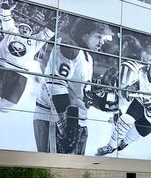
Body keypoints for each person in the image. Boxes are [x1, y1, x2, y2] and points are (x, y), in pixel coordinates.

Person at [33, 17, 113, 154]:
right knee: (56, 170)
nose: (101, 42)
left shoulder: (87, 56)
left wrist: (98, 101)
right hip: (56, 120)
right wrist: (68, 125)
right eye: (98, 36)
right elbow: (56, 85)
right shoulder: (69, 47)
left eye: (103, 38)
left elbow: (78, 93)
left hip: (77, 123)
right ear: (84, 33)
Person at [96, 54, 151, 155]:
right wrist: (130, 87)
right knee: (125, 120)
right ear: (149, 67)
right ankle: (110, 146)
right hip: (141, 102)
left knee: (134, 135)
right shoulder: (141, 71)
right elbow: (136, 83)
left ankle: (125, 142)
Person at [0, 0, 54, 111]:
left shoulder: (35, 41)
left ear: (31, 32)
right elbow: (6, 20)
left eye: (27, 29)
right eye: (22, 27)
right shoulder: (12, 32)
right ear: (18, 28)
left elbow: (45, 35)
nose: (24, 29)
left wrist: (52, 24)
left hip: (20, 74)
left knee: (6, 106)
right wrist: (5, 8)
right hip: (1, 67)